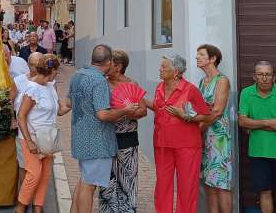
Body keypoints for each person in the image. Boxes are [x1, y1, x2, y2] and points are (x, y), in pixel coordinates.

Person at [69, 44, 137, 213]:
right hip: (97, 141)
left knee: (84, 180)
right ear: (108, 62)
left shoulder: (78, 75)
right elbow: (103, 115)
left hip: (80, 138)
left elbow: (68, 104)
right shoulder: (99, 81)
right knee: (89, 185)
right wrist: (125, 111)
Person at [145, 54, 211, 213]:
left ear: (176, 72)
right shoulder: (159, 87)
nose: (160, 69)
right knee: (162, 185)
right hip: (161, 144)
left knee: (187, 187)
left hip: (187, 146)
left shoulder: (190, 90)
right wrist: (140, 99)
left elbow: (206, 115)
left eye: (164, 67)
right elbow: (159, 108)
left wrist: (185, 115)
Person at [238, 61, 276, 213]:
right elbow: (241, 121)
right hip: (258, 152)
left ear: (274, 77)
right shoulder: (246, 93)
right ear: (254, 76)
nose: (264, 78)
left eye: (268, 74)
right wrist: (268, 122)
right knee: (264, 192)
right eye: (260, 74)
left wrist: (253, 125)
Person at [16, 53, 70, 213]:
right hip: (31, 138)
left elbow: (59, 111)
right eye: (56, 71)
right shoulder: (32, 88)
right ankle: (21, 207)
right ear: (51, 71)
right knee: (34, 174)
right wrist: (29, 141)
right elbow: (21, 116)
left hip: (48, 139)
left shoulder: (50, 87)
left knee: (45, 175)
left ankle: (38, 207)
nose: (57, 74)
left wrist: (76, 103)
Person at [98, 50, 147, 213]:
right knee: (106, 178)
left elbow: (143, 111)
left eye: (108, 63)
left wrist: (130, 112)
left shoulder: (132, 84)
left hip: (128, 137)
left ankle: (127, 210)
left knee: (128, 177)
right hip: (106, 137)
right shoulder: (101, 83)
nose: (104, 66)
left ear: (118, 66)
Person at [196, 44, 233, 213]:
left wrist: (199, 128)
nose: (197, 57)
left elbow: (217, 111)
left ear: (213, 58)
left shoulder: (222, 80)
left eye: (201, 55)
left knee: (222, 184)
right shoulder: (202, 82)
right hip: (204, 138)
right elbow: (199, 108)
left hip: (218, 139)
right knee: (209, 184)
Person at [10, 52, 42, 185]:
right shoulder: (19, 80)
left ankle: (36, 199)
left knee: (40, 166)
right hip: (24, 131)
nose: (36, 68)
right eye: (33, 64)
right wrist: (12, 119)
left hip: (41, 130)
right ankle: (23, 199)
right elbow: (9, 100)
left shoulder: (48, 82)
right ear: (28, 65)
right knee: (24, 165)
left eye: (39, 64)